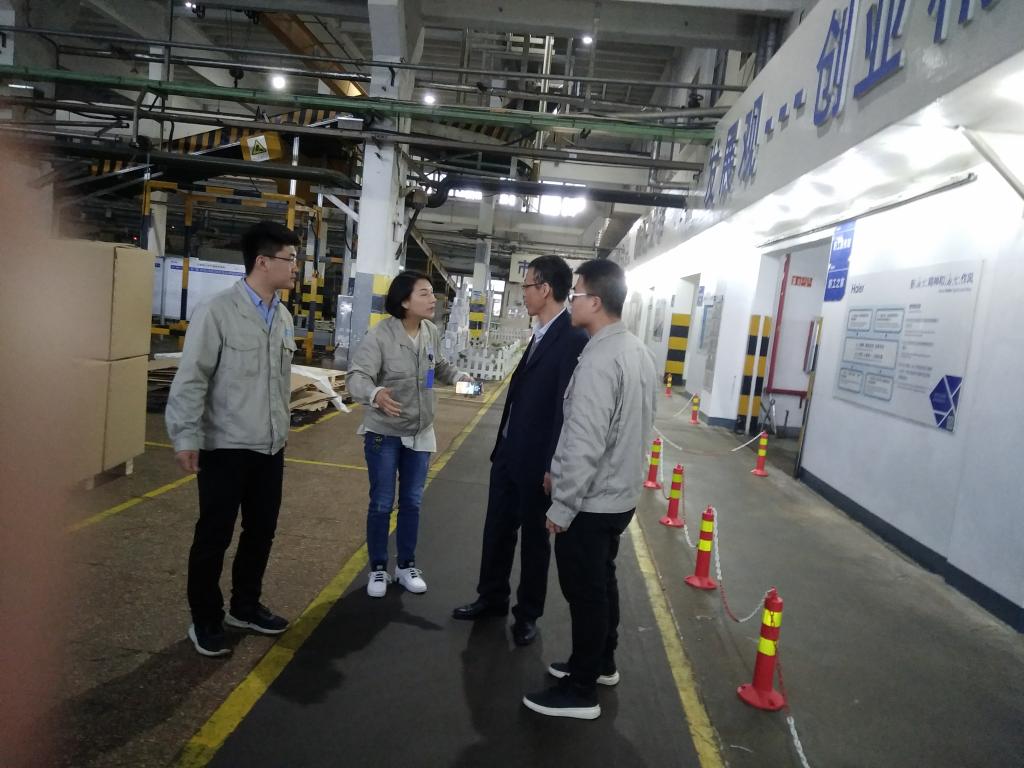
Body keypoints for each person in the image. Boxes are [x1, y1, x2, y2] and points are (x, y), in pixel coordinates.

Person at [522, 259, 657, 720]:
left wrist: (562, 506)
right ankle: (600, 664)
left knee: (585, 593)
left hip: (593, 501)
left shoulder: (599, 359)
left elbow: (586, 440)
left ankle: (581, 691)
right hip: (620, 495)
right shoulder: (636, 351)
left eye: (576, 294)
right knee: (602, 583)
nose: (571, 302)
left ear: (595, 302)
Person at [166, 220, 299, 657]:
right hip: (224, 446)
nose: (296, 267)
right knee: (214, 536)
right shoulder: (218, 311)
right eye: (289, 259)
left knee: (261, 532)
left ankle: (245, 606)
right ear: (262, 262)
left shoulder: (283, 317)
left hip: (270, 447)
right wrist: (186, 436)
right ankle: (206, 618)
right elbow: (192, 377)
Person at [452, 256, 588, 647]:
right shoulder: (541, 333)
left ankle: (527, 614)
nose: (523, 293)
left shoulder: (571, 338)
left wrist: (551, 465)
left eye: (527, 286)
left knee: (534, 541)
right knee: (496, 529)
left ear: (545, 289)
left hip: (537, 462)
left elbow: (565, 410)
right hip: (509, 454)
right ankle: (491, 597)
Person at [348, 271, 472, 598]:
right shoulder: (380, 336)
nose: (433, 299)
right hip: (384, 433)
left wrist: (461, 379)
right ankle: (378, 568)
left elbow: (438, 367)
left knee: (412, 502)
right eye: (424, 293)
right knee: (381, 503)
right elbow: (357, 376)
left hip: (420, 432)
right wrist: (375, 394)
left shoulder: (430, 331)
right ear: (404, 301)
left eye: (432, 293)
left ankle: (405, 566)